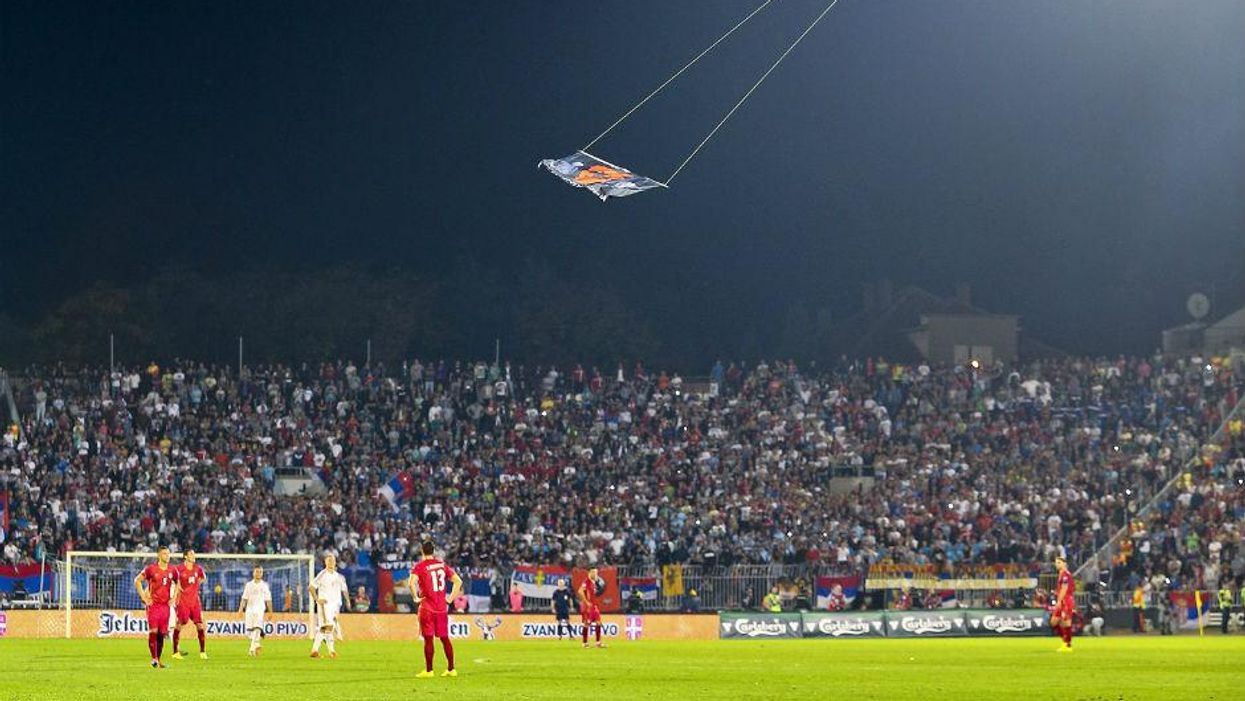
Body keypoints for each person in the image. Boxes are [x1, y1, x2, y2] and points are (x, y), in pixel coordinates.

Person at [408, 539, 463, 678]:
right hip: (442, 608)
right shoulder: (441, 565)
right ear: (434, 551)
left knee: (428, 639)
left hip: (427, 607)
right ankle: (451, 669)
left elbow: (411, 583)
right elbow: (458, 581)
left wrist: (415, 597)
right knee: (445, 638)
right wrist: (449, 599)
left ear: (422, 551)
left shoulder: (420, 566)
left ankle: (429, 671)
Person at [133, 545, 179, 668]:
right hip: (153, 605)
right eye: (164, 554)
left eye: (168, 554)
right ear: (159, 555)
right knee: (153, 631)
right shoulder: (151, 569)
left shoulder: (172, 570)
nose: (167, 556)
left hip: (165, 607)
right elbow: (137, 580)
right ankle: (153, 659)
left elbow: (178, 583)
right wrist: (143, 597)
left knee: (161, 634)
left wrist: (173, 598)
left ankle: (158, 660)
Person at [309, 554, 351, 659]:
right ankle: (324, 650)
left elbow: (344, 590)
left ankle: (322, 650)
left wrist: (348, 601)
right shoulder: (322, 574)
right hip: (325, 604)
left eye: (332, 560)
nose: (331, 562)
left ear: (335, 562)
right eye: (329, 560)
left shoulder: (339, 577)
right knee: (327, 627)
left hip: (335, 605)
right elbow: (311, 587)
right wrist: (317, 599)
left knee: (327, 628)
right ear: (325, 562)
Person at [170, 549, 208, 660]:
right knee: (179, 625)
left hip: (195, 601)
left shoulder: (198, 568)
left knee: (200, 625)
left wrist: (195, 586)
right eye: (191, 554)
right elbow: (172, 579)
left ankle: (202, 651)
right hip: (183, 601)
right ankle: (175, 652)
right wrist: (178, 586)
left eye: (194, 554)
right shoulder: (179, 569)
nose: (193, 556)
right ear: (185, 556)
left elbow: (203, 577)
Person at [238, 566, 272, 656]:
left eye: (260, 572)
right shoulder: (249, 585)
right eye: (257, 571)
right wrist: (240, 609)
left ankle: (252, 648)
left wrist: (270, 612)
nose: (258, 573)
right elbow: (244, 598)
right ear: (253, 573)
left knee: (257, 627)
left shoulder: (264, 586)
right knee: (249, 631)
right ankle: (256, 643)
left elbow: (268, 599)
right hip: (249, 609)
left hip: (260, 609)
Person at [1050, 555, 1076, 652]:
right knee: (1054, 622)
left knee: (1066, 622)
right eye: (1056, 563)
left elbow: (1064, 589)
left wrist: (1059, 601)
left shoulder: (1065, 575)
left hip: (1066, 600)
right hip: (1062, 599)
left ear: (1064, 564)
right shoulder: (1061, 574)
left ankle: (1068, 645)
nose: (1057, 565)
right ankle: (1065, 641)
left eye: (1059, 562)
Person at [577, 567, 606, 649]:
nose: (596, 574)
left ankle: (598, 643)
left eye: (596, 572)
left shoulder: (593, 583)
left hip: (594, 606)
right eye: (594, 572)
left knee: (599, 623)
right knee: (587, 624)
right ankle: (584, 643)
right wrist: (586, 602)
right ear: (590, 572)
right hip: (588, 607)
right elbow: (580, 591)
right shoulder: (586, 582)